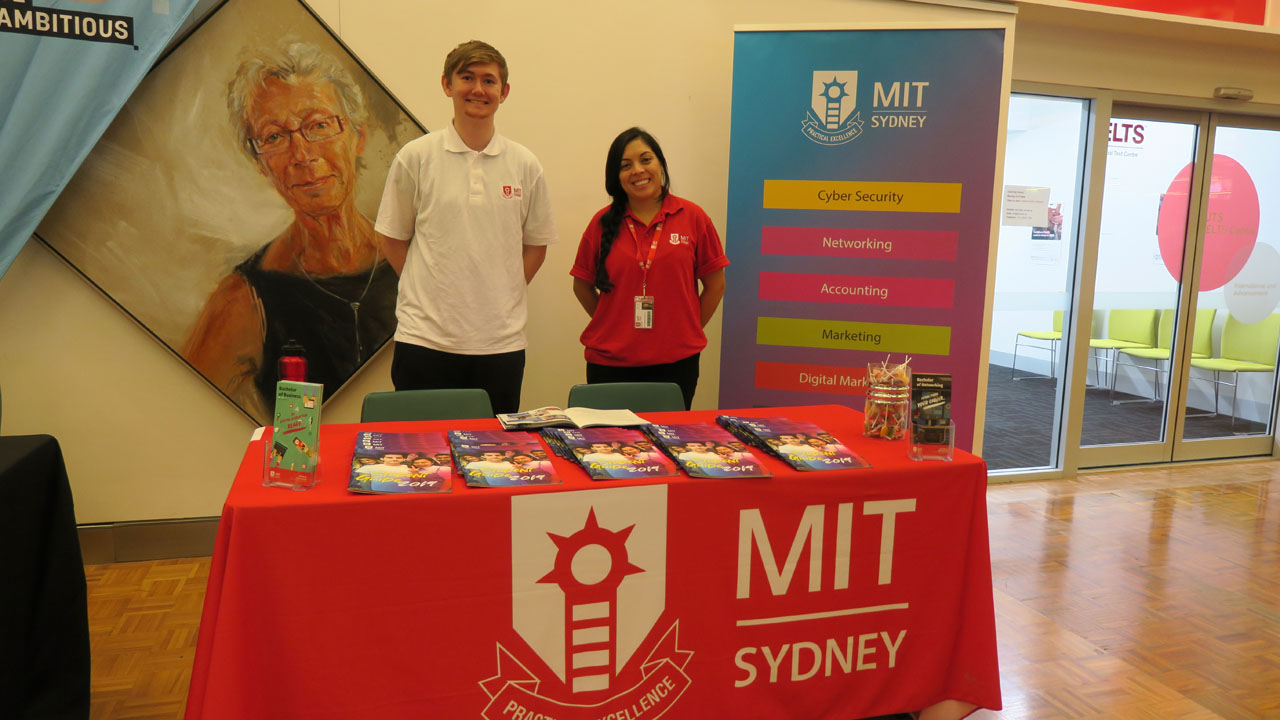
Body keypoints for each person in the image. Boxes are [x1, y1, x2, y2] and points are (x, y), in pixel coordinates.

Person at [185, 41, 397, 421]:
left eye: (319, 125)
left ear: (358, 136)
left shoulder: (414, 260)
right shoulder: (243, 301)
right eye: (274, 137)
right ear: (260, 164)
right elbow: (188, 417)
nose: (302, 154)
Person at [374, 40, 557, 414]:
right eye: (467, 78)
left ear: (504, 92)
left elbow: (536, 247)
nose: (478, 89)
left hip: (500, 346)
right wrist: (428, 286)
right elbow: (390, 238)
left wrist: (501, 293)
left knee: (494, 450)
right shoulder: (416, 157)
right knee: (420, 448)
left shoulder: (525, 164)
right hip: (424, 341)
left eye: (489, 81)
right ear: (447, 85)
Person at [571, 127, 728, 410]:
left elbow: (716, 285)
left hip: (676, 363)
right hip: (609, 363)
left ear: (661, 164)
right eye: (625, 165)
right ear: (616, 176)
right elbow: (581, 285)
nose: (638, 170)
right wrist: (612, 322)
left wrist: (686, 327)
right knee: (611, 440)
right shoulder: (601, 223)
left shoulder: (693, 217)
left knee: (669, 437)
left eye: (646, 160)